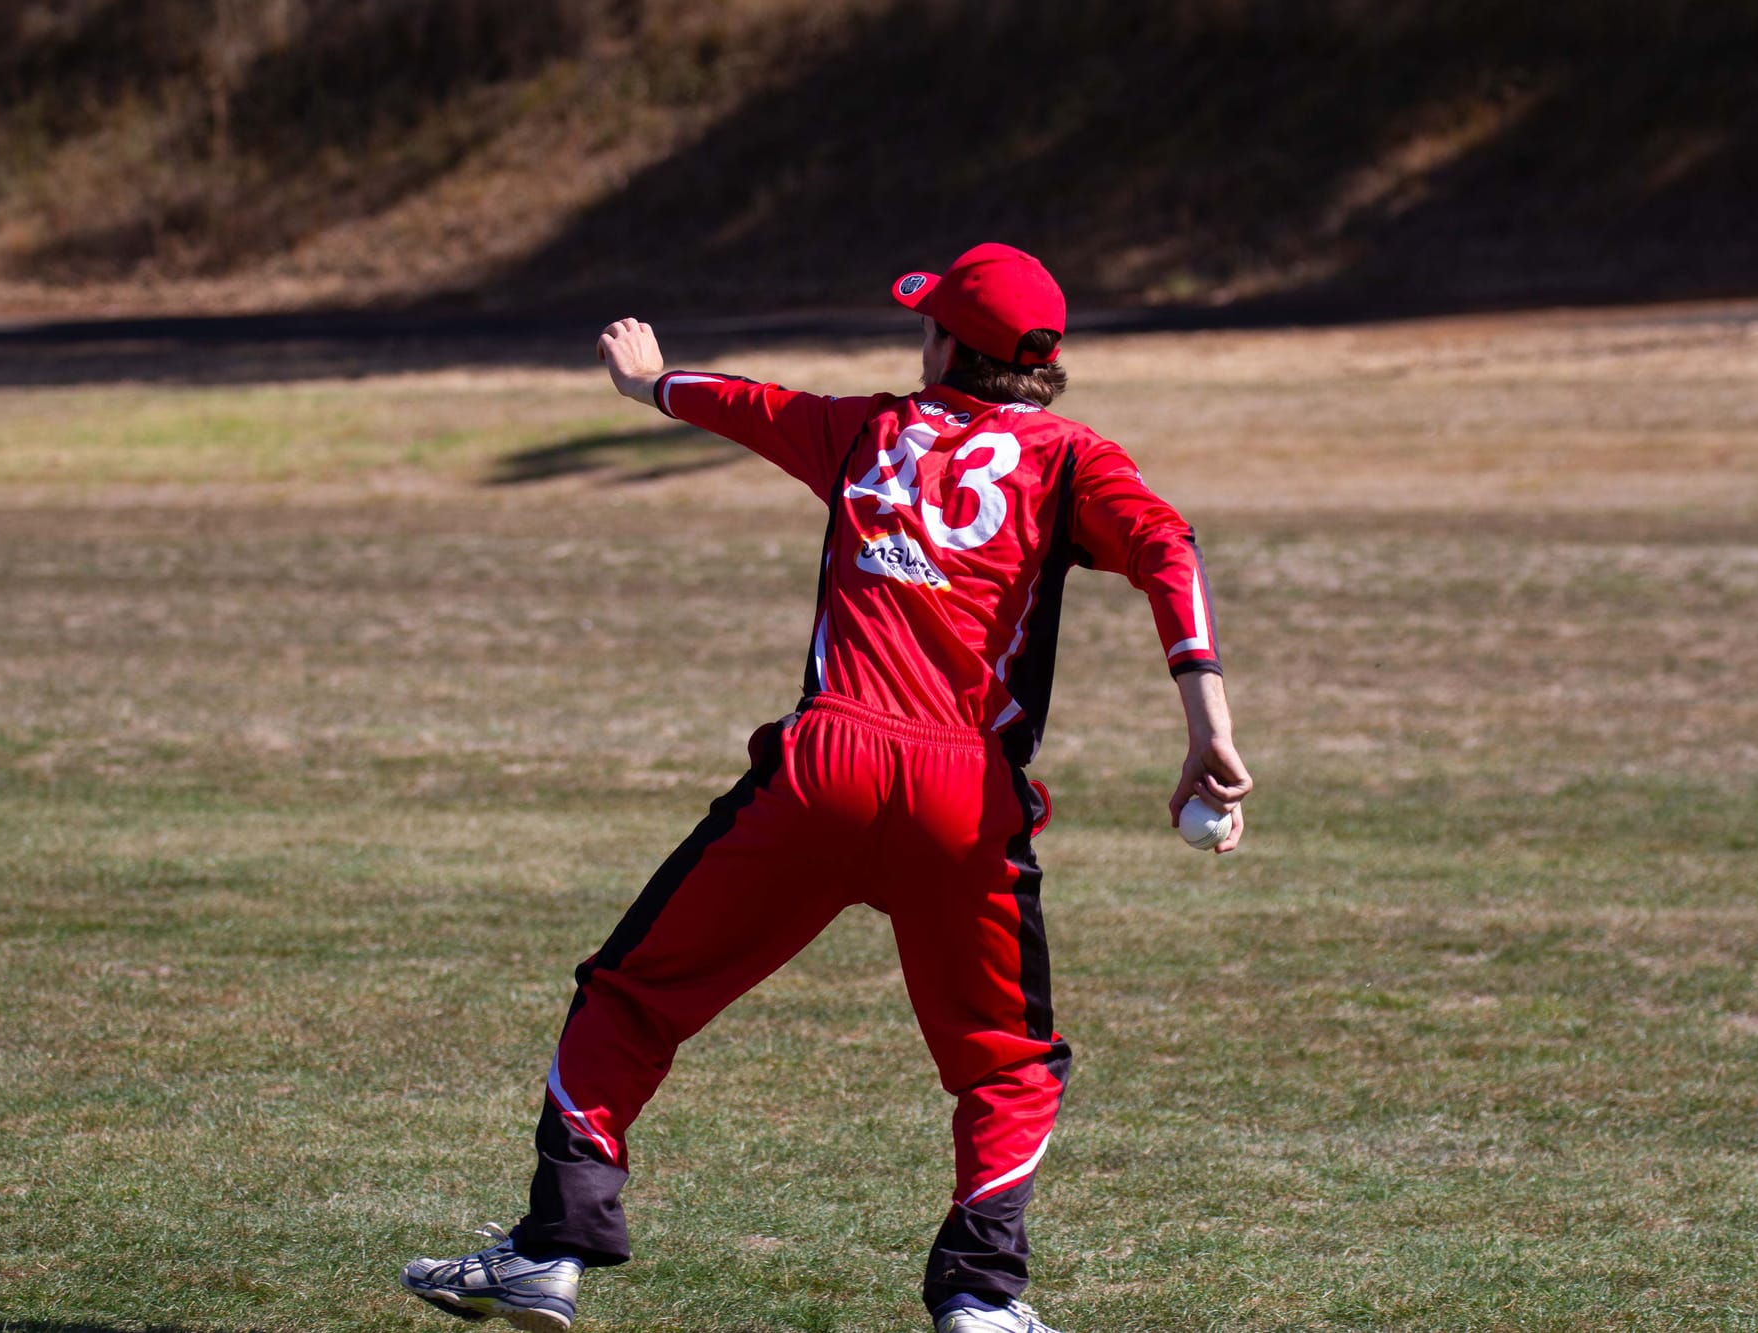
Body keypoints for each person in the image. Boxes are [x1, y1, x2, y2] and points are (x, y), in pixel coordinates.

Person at [400, 243, 1253, 1333]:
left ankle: (551, 1247)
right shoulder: (1071, 460)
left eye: (930, 320)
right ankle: (981, 1298)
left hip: (820, 774)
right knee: (1004, 1065)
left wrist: (646, 380)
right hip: (964, 797)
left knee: (632, 995)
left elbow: (747, 403)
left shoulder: (866, 430)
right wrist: (1206, 724)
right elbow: (1166, 547)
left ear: (948, 343)